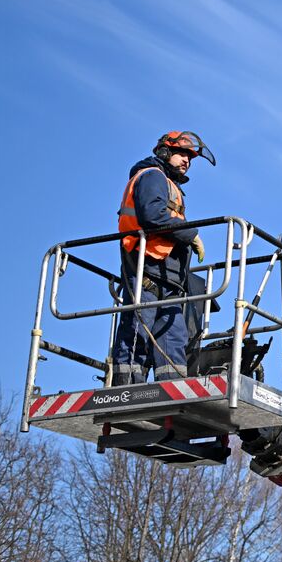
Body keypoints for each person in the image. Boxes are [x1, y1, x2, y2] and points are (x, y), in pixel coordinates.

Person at [111, 131, 215, 385]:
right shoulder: (151, 176)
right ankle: (126, 389)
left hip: (169, 276)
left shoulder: (170, 184)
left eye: (190, 157)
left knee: (173, 336)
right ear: (165, 152)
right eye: (182, 154)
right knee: (137, 331)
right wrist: (190, 235)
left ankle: (171, 389)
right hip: (146, 269)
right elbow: (153, 216)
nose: (187, 161)